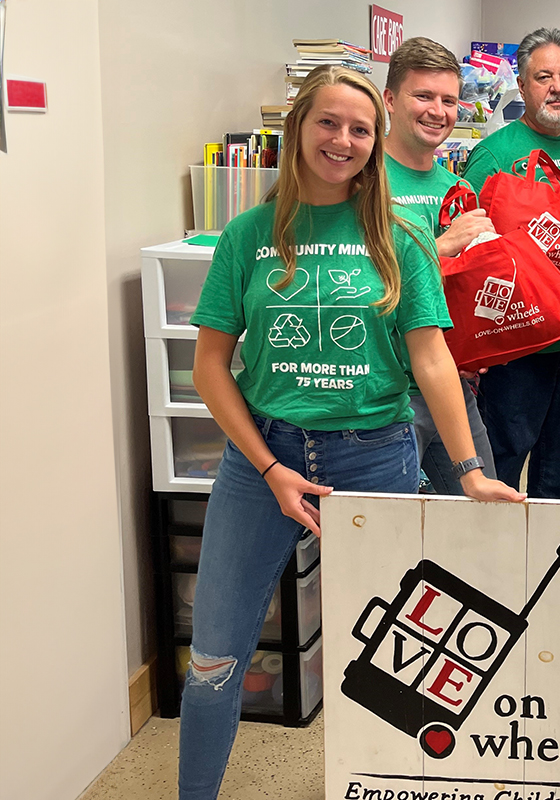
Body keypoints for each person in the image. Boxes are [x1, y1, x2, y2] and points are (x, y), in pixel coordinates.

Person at [179, 65, 523, 800]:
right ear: (298, 129)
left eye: (359, 128)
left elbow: (432, 356)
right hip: (259, 462)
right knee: (212, 658)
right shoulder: (248, 235)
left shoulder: (402, 236)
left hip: (374, 459)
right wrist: (269, 467)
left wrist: (466, 466)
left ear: (376, 139)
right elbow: (211, 366)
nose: (343, 140)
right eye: (328, 123)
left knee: (395, 662)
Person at [461, 28, 560, 499]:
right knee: (504, 459)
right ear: (523, 84)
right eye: (544, 76)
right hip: (518, 344)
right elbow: (466, 249)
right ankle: (497, 568)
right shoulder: (495, 152)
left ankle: (553, 568)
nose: (557, 87)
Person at [382, 36, 496, 494]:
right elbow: (352, 279)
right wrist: (443, 245)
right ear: (389, 99)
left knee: (483, 519)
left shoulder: (456, 188)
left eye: (449, 100)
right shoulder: (359, 181)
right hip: (385, 394)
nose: (438, 111)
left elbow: (465, 293)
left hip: (451, 385)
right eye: (423, 96)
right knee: (390, 536)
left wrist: (479, 346)